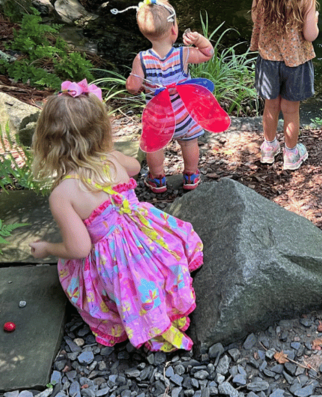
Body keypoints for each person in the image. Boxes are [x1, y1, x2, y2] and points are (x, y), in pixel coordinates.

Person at [29, 80, 203, 352]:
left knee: (76, 266)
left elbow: (79, 247)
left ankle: (134, 313)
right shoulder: (110, 158)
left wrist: (47, 248)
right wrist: (109, 151)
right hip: (145, 237)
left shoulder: (62, 194)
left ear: (47, 141)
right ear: (101, 130)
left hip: (116, 261)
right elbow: (135, 167)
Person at [124, 0, 214, 193]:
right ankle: (190, 174)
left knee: (155, 146)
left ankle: (157, 178)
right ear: (174, 30)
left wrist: (135, 85)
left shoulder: (141, 59)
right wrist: (199, 40)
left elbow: (132, 86)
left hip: (158, 118)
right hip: (183, 115)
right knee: (189, 142)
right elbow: (207, 53)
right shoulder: (183, 54)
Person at [250, 0, 321, 171]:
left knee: (270, 106)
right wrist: (316, 20)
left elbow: (255, 18)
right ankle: (291, 155)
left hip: (268, 59)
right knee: (290, 111)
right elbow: (310, 35)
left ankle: (269, 147)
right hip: (295, 63)